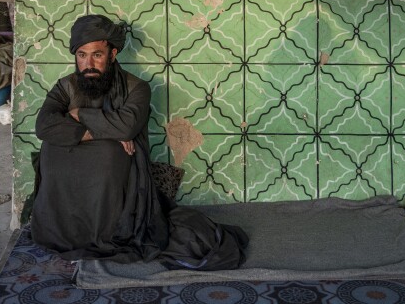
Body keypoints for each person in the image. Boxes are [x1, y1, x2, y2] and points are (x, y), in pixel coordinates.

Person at [32, 14, 248, 268]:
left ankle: (105, 233)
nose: (88, 63)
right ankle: (65, 232)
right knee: (51, 149)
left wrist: (79, 114)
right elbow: (44, 125)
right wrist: (96, 133)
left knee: (109, 155)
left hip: (117, 169)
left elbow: (127, 125)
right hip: (72, 169)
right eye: (81, 55)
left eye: (97, 55)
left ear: (112, 54)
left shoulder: (137, 88)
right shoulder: (65, 86)